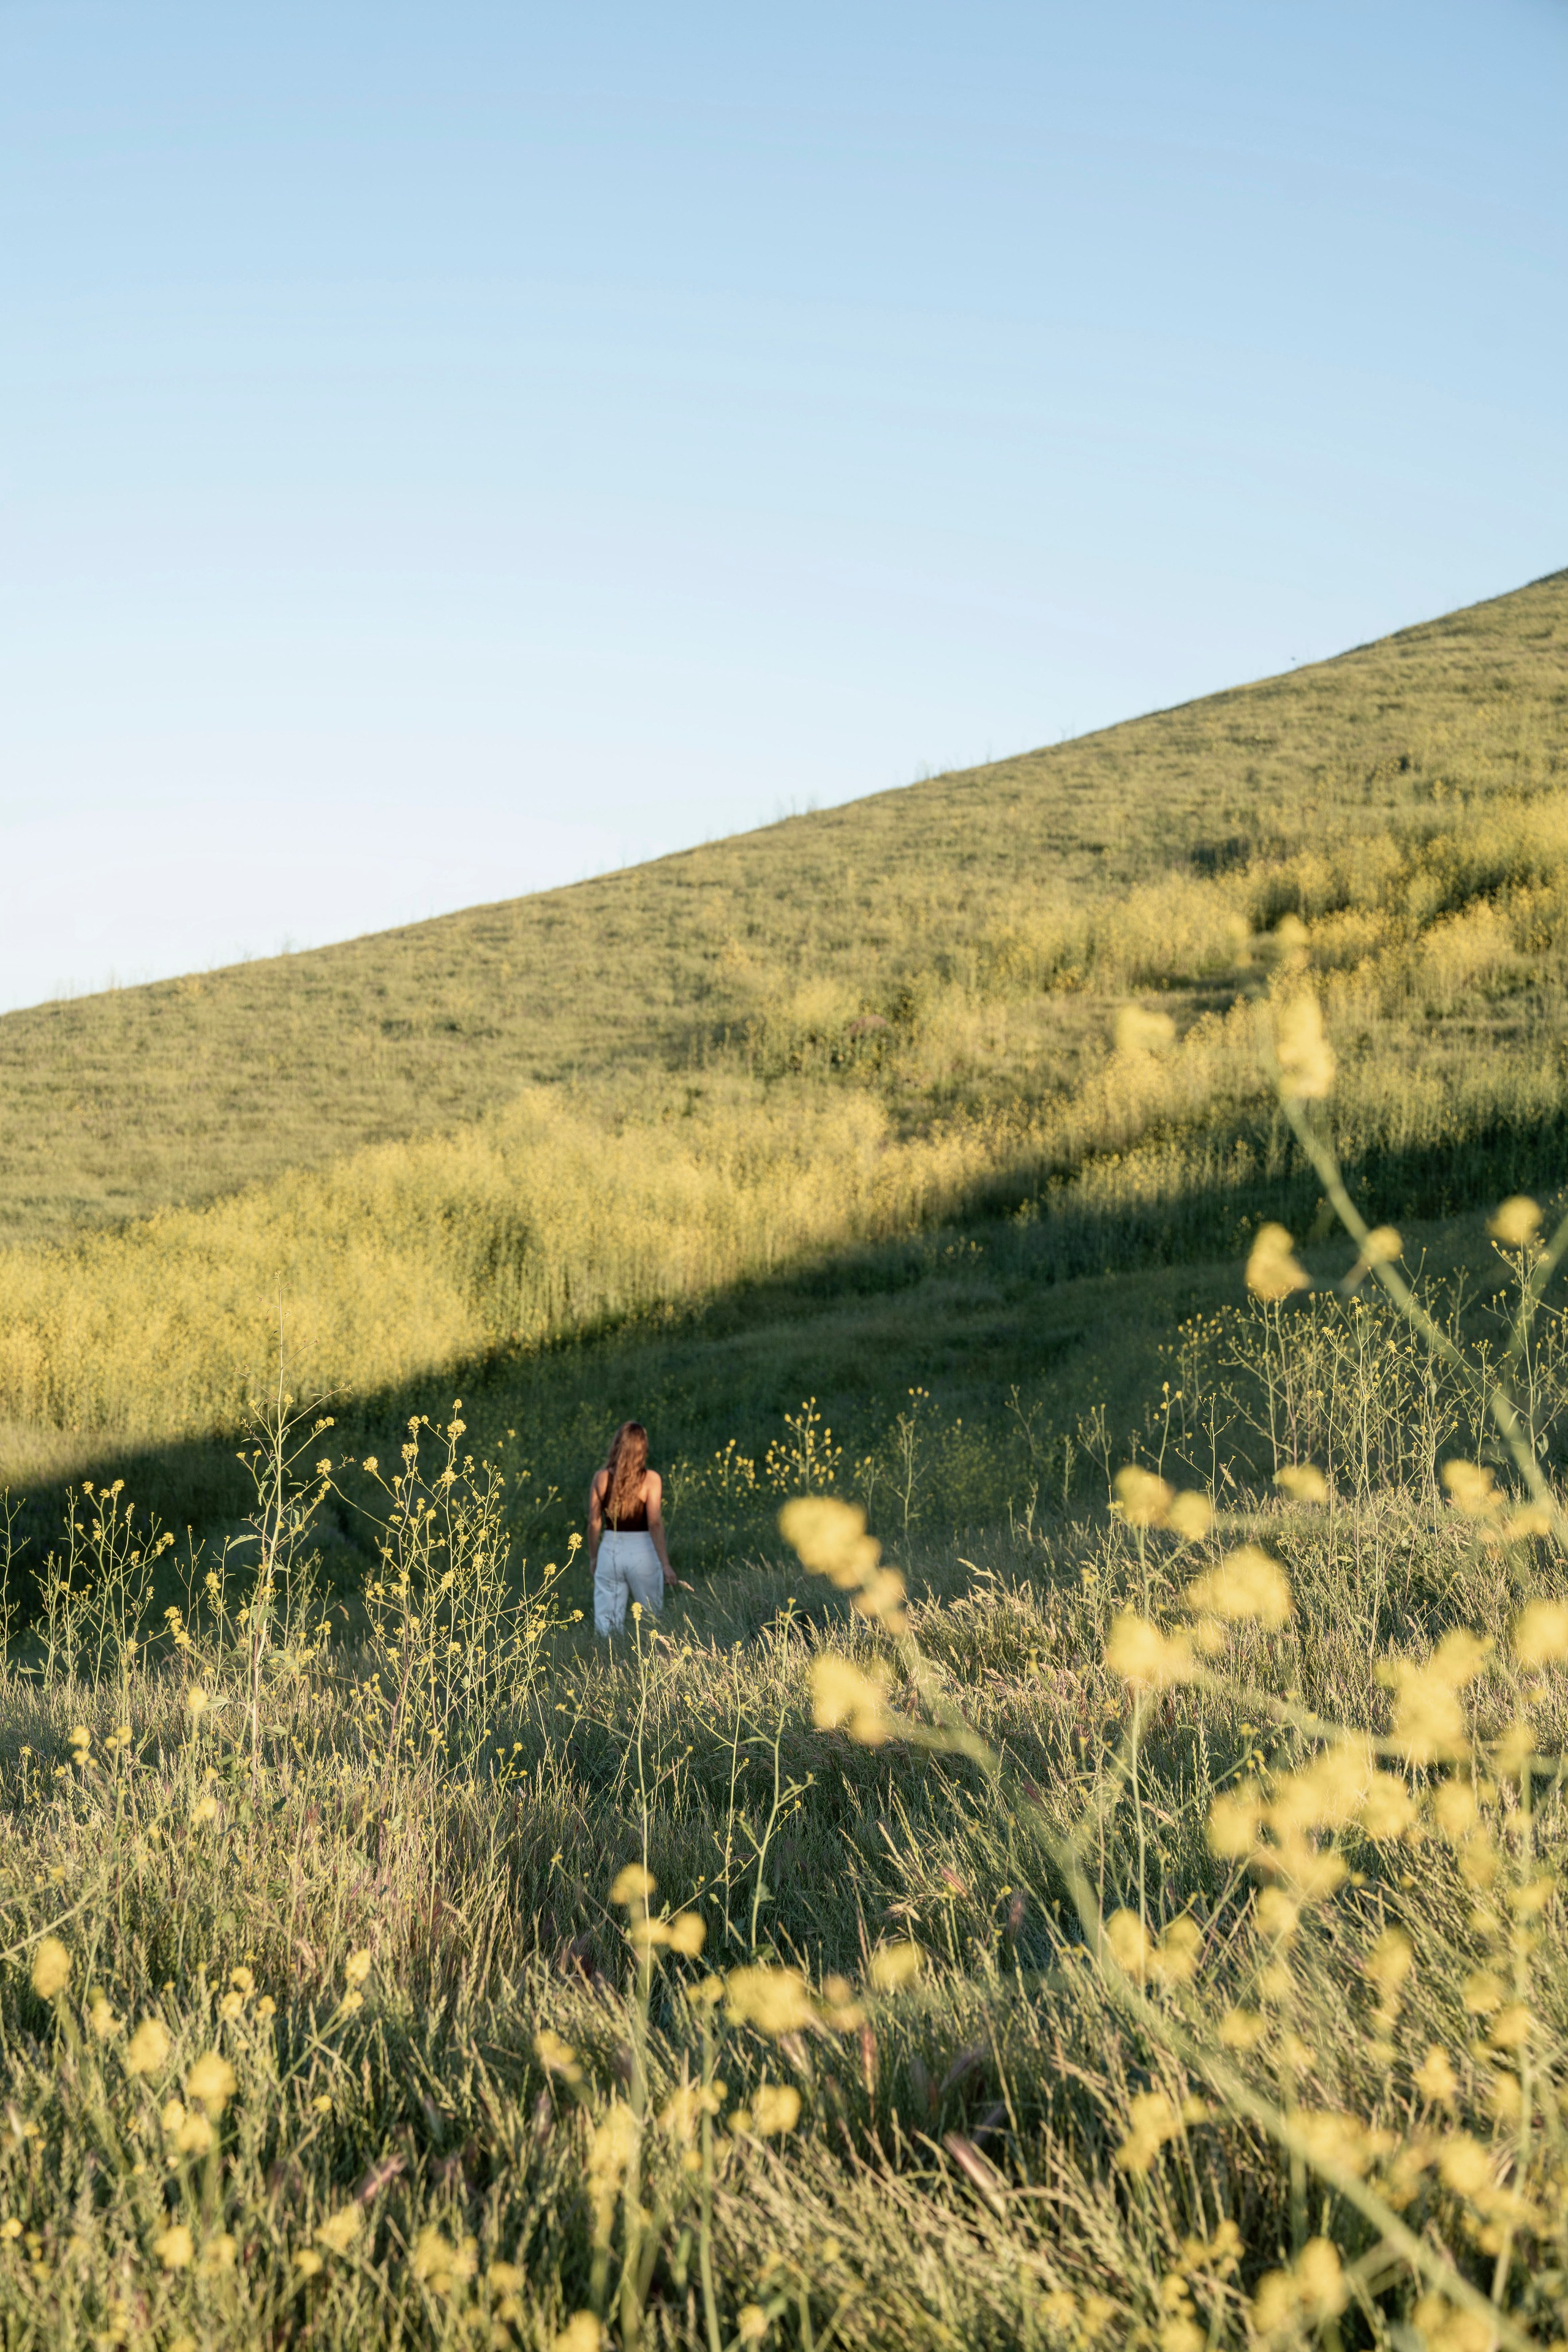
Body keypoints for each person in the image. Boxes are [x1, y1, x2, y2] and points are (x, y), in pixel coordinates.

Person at [589, 1420, 677, 1637]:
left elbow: (594, 1522)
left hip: (610, 1548)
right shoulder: (651, 1480)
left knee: (606, 1623)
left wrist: (593, 1557)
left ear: (617, 1445)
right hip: (643, 1551)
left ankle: (607, 1664)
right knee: (652, 1617)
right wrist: (666, 1565)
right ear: (643, 1448)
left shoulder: (601, 1478)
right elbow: (655, 1523)